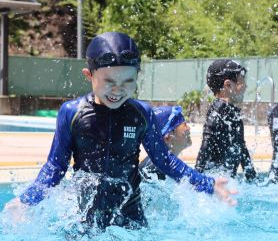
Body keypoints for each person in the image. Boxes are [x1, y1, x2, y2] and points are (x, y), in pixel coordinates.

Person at [4, 32, 237, 230]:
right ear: (89, 75)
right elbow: (56, 167)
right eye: (109, 81)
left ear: (137, 77)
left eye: (128, 81)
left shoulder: (140, 113)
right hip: (87, 217)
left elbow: (165, 161)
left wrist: (207, 184)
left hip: (131, 216)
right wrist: (26, 200)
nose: (118, 90)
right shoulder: (71, 113)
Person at [195, 59, 257, 181]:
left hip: (226, 187)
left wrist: (253, 181)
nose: (245, 85)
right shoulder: (216, 114)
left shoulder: (231, 114)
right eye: (242, 80)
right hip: (216, 189)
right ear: (228, 85)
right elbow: (204, 152)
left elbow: (242, 150)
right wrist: (198, 182)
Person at [139, 105, 191, 181]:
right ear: (168, 136)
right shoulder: (152, 169)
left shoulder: (165, 163)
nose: (188, 128)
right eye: (185, 124)